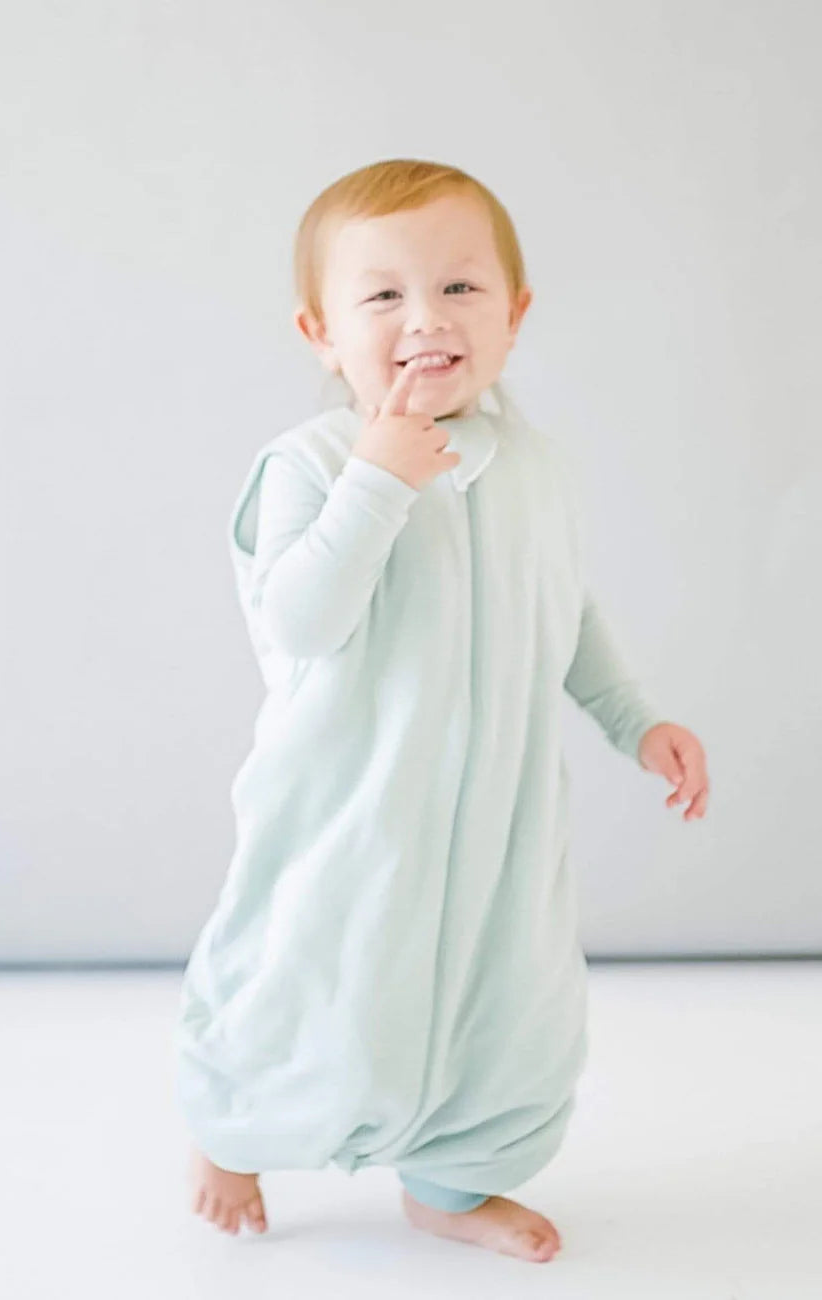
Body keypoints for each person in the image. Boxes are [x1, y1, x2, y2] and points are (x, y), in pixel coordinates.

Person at [177, 159, 710, 1263]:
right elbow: (301, 621)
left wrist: (635, 719)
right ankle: (234, 1132)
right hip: (351, 813)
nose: (425, 319)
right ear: (322, 333)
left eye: (461, 288)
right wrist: (376, 478)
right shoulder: (310, 464)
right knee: (312, 985)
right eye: (383, 296)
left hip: (497, 823)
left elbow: (564, 610)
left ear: (515, 314)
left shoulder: (534, 469)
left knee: (504, 1010)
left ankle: (453, 1182)